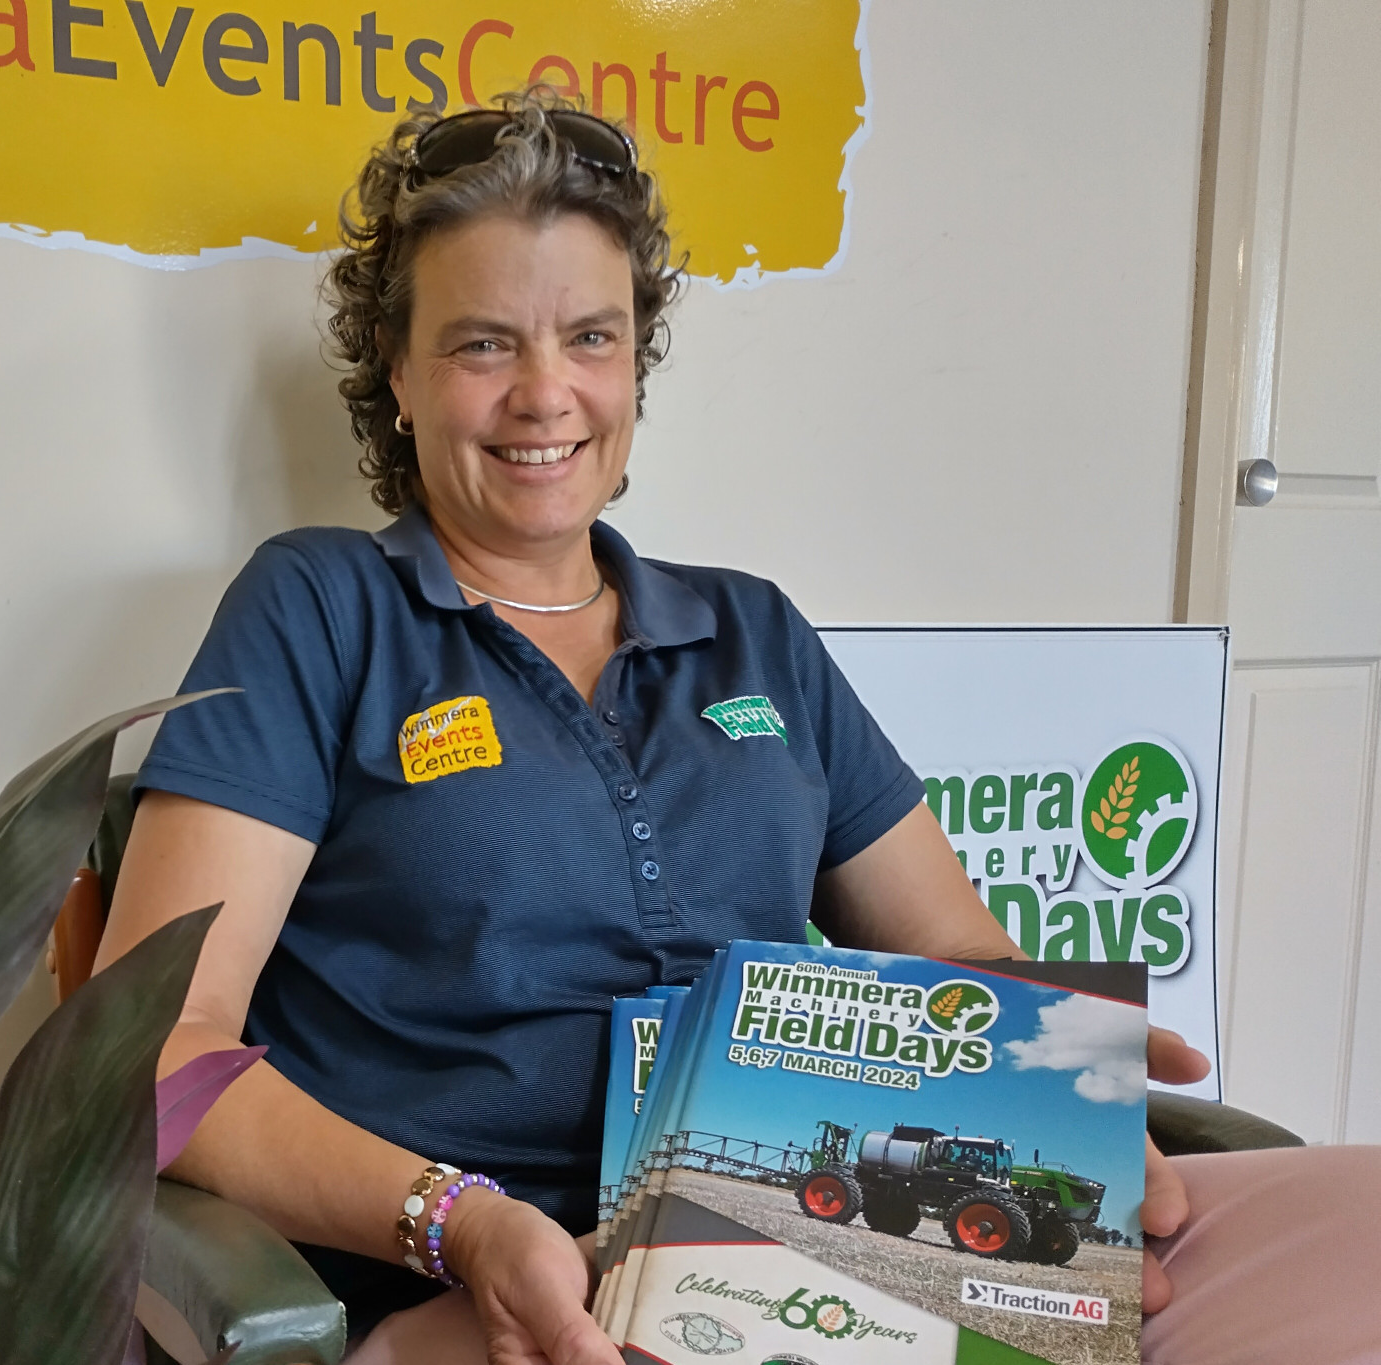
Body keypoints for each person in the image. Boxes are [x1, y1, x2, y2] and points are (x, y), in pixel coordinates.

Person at [90, 90, 1378, 1365]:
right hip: (490, 1281)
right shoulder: (320, 609)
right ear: (401, 371)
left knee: (1345, 1232)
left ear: (634, 360)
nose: (547, 394)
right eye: (485, 344)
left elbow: (952, 947)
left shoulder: (752, 630)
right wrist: (463, 1225)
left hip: (811, 1238)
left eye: (589, 338)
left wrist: (1045, 1067)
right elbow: (157, 1047)